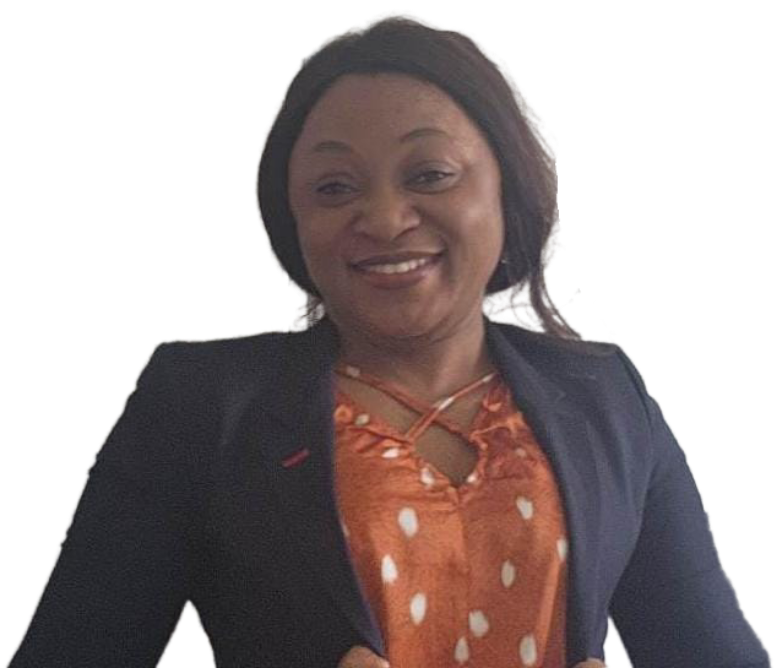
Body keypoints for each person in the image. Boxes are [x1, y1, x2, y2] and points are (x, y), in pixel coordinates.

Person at [8, 11, 771, 668]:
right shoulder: (200, 404)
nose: (382, 218)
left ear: (505, 186)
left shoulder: (604, 393)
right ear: (292, 218)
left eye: (429, 174)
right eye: (334, 187)